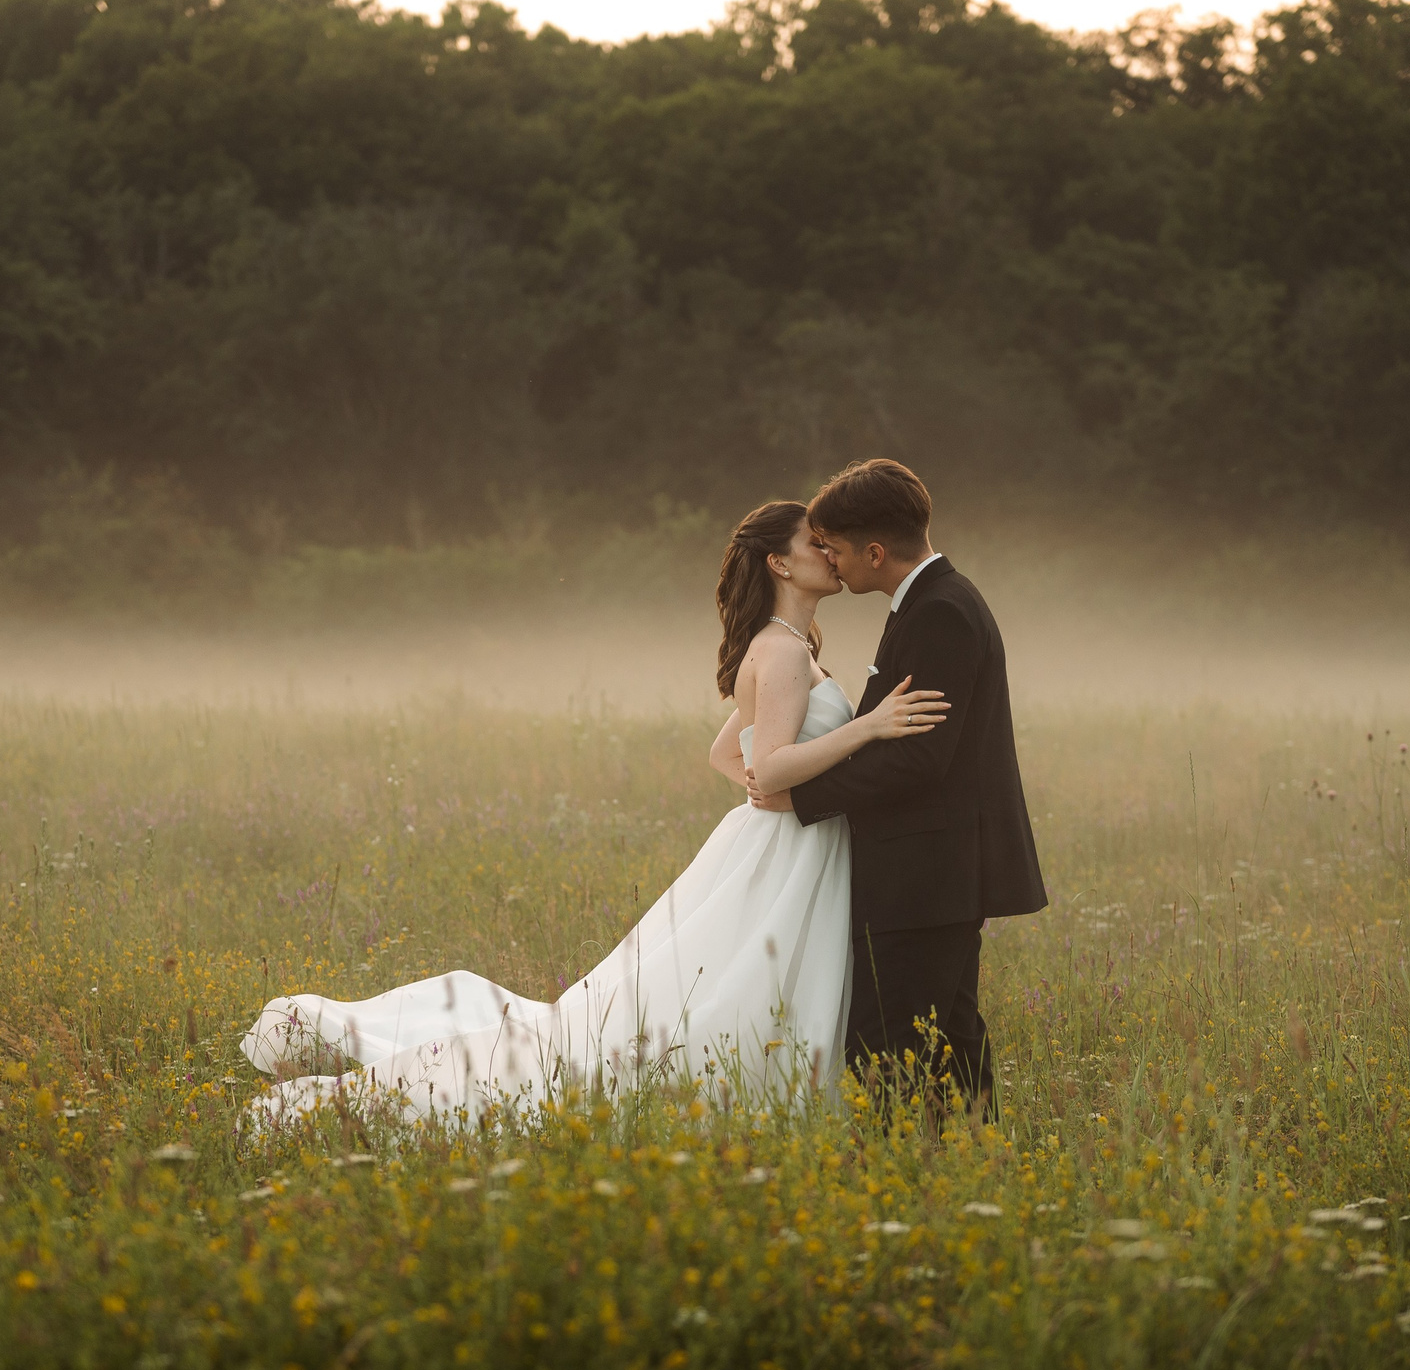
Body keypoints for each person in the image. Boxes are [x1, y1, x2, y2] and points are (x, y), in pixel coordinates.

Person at [241, 499, 949, 1119]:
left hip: (781, 839)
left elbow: (726, 755)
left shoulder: (783, 646)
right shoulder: (786, 654)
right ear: (780, 565)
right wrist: (867, 728)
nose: (830, 554)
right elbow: (765, 764)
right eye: (814, 545)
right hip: (791, 846)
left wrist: (769, 788)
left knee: (739, 983)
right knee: (742, 987)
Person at [748, 458, 1047, 1124]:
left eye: (836, 548)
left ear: (875, 551)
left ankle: (906, 1172)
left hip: (925, 872)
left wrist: (802, 797)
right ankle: (973, 1154)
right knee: (951, 1033)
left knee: (887, 1041)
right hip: (932, 868)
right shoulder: (931, 602)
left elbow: (919, 760)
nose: (830, 559)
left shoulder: (939, 611)